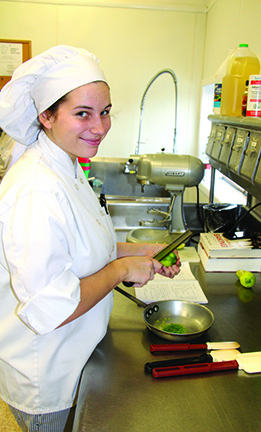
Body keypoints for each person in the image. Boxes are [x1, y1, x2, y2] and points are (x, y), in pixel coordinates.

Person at [0, 46, 181, 432]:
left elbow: (78, 247)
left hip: (79, 352)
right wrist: (120, 270)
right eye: (83, 113)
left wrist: (138, 252)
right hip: (48, 372)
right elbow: (50, 308)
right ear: (46, 116)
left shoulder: (66, 162)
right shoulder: (36, 189)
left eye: (105, 111)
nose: (99, 127)